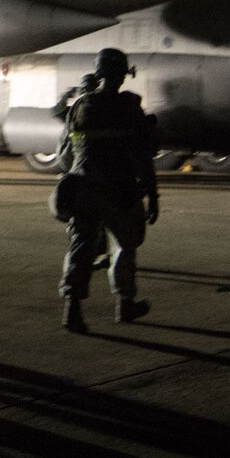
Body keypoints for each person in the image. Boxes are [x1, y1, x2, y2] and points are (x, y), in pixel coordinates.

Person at [52, 48, 157, 328]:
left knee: (81, 247)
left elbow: (65, 155)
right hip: (119, 188)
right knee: (124, 246)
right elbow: (143, 155)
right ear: (123, 74)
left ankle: (72, 309)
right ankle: (124, 305)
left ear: (98, 74)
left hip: (83, 187)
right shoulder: (129, 107)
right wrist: (153, 194)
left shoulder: (80, 105)